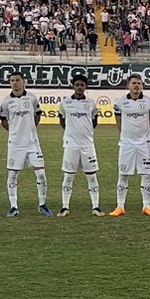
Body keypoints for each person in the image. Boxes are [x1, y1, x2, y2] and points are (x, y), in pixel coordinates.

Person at [111, 73, 150, 216]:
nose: (137, 85)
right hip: (126, 145)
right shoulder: (120, 103)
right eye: (134, 83)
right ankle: (120, 206)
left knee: (146, 175)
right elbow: (118, 121)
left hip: (144, 144)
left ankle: (146, 206)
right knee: (123, 175)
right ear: (128, 86)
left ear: (142, 85)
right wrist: (125, 135)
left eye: (139, 83)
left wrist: (143, 135)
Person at [1, 71, 49, 215]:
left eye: (17, 80)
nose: (14, 83)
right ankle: (14, 206)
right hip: (15, 144)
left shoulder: (32, 98)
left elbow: (37, 116)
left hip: (33, 144)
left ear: (23, 82)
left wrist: (30, 130)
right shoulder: (6, 102)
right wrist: (15, 131)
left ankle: (42, 204)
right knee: (13, 175)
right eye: (12, 80)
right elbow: (3, 120)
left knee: (41, 174)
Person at [57, 72, 103, 216]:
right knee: (69, 176)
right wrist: (72, 133)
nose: (79, 87)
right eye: (77, 85)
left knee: (91, 176)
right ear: (73, 86)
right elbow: (62, 121)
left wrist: (85, 133)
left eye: (82, 85)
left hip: (87, 144)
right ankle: (65, 207)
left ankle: (96, 207)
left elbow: (94, 121)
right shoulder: (65, 103)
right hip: (71, 144)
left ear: (86, 87)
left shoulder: (91, 103)